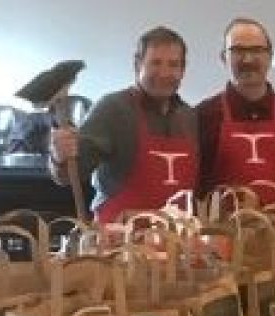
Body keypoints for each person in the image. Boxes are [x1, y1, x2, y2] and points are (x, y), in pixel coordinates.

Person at [48, 26, 198, 223]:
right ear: (137, 65)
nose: (164, 73)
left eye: (173, 65)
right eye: (155, 63)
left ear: (183, 70)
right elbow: (68, 175)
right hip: (119, 235)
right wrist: (58, 157)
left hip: (176, 237)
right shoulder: (112, 109)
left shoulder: (189, 117)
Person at [197, 17, 275, 204]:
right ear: (223, 57)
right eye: (238, 50)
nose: (247, 59)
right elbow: (197, 191)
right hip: (223, 223)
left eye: (256, 50)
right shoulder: (203, 116)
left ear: (270, 57)